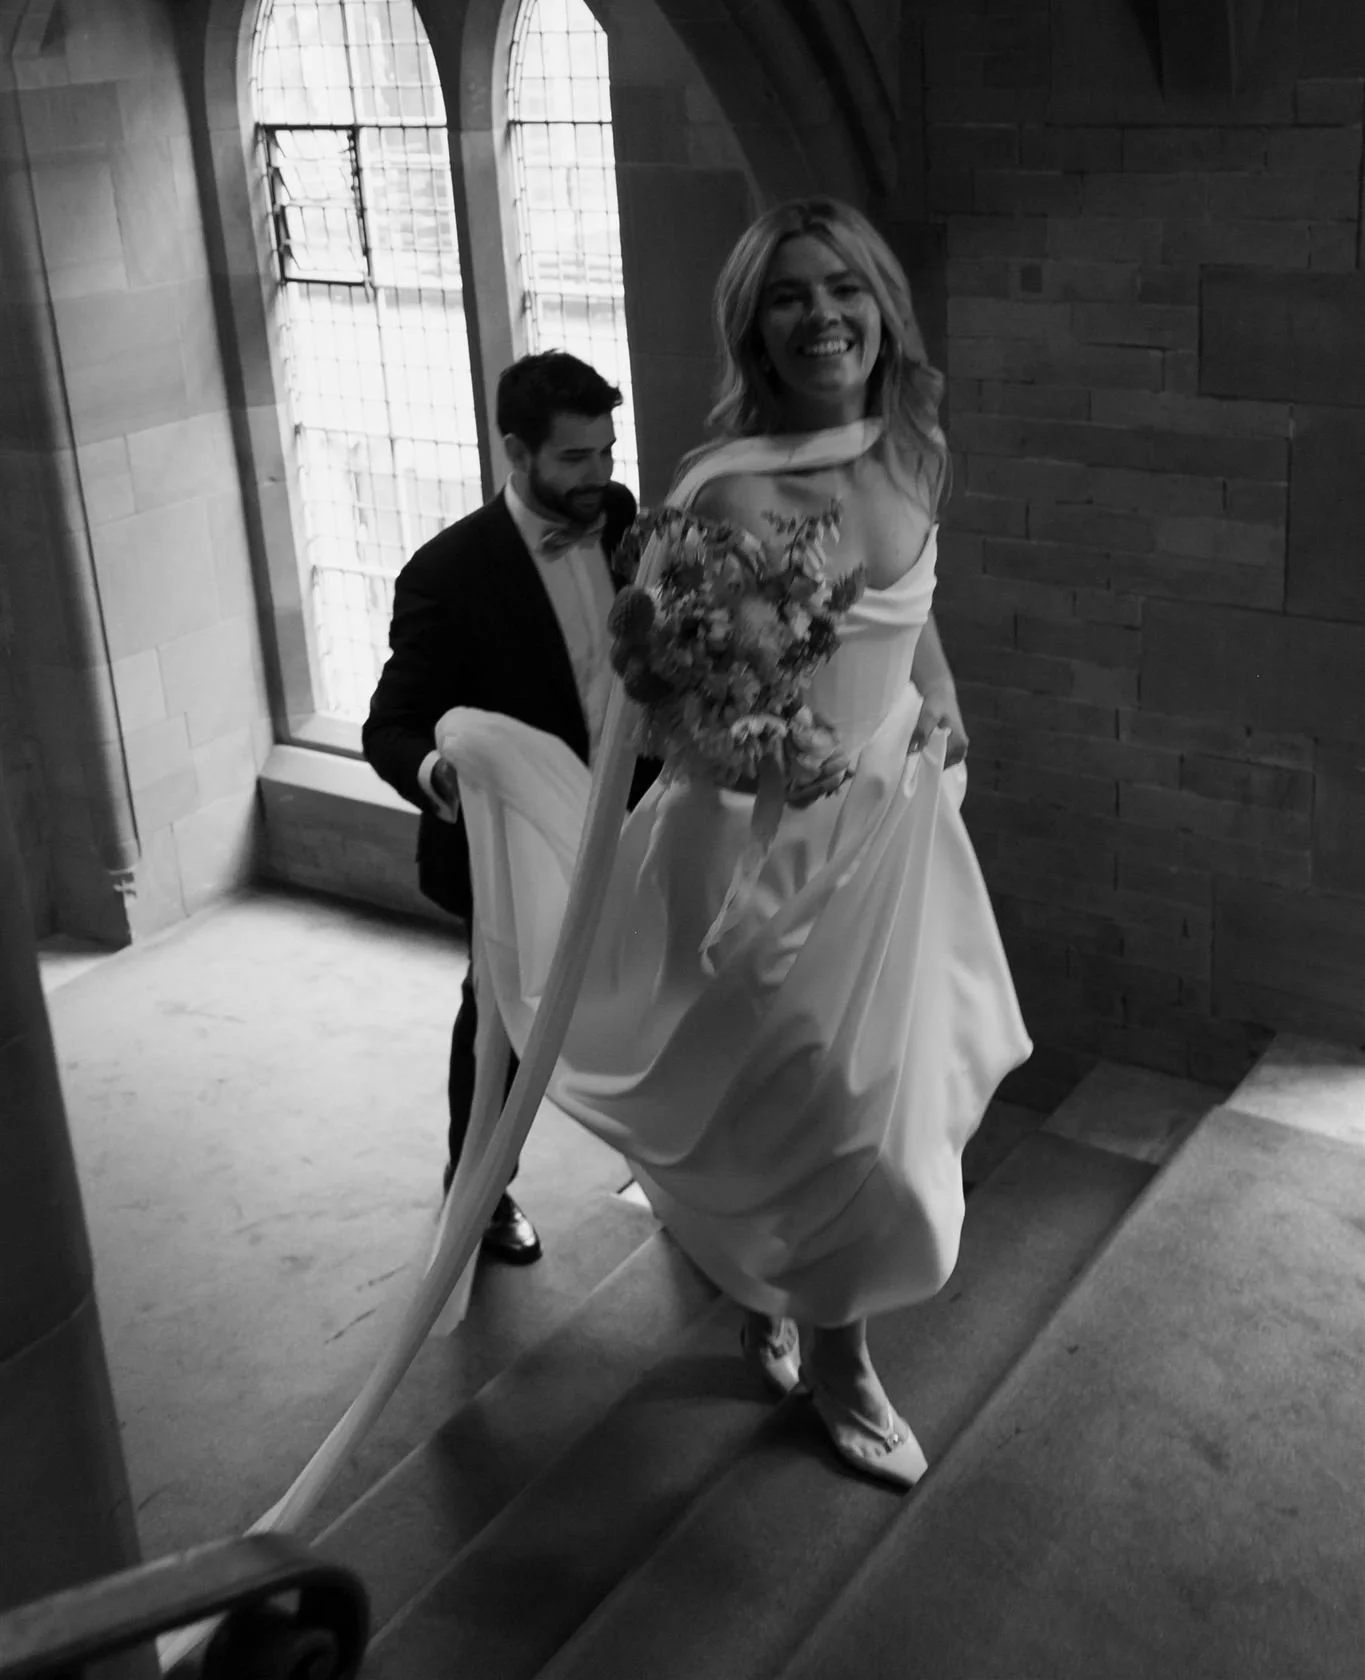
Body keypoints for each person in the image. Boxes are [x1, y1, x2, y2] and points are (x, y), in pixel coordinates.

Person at [436, 199, 1032, 1485]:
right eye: (789, 296)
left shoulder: (915, 448)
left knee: (869, 1107)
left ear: (884, 307)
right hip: (758, 855)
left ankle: (787, 1295)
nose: (823, 315)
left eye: (845, 289)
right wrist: (782, 751)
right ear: (754, 326)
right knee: (808, 1106)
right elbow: (678, 720)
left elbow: (913, 610)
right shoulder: (722, 489)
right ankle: (842, 1357)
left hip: (896, 830)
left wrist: (945, 691)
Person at [362, 350, 655, 1262]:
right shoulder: (446, 572)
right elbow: (391, 725)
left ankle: (675, 1173)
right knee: (503, 1024)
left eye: (607, 451)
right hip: (518, 842)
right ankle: (482, 1192)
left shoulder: (615, 517)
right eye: (574, 458)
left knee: (656, 999)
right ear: (515, 452)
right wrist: (446, 779)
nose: (598, 477)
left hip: (632, 817)